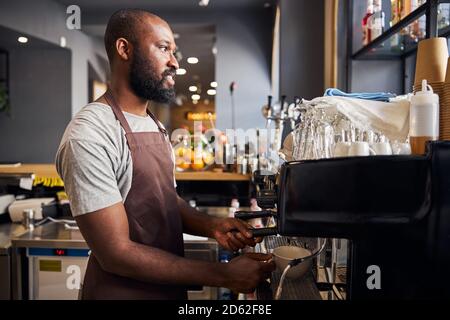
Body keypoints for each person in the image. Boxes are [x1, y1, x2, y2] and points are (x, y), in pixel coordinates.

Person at [55, 9, 274, 300]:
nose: (174, 62)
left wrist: (212, 226)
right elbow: (115, 253)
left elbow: (164, 199)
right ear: (124, 49)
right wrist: (223, 275)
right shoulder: (90, 133)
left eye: (174, 51)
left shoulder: (152, 123)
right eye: (163, 48)